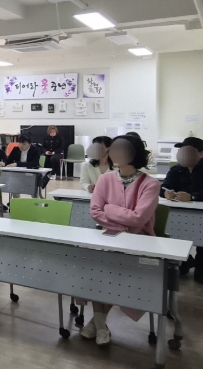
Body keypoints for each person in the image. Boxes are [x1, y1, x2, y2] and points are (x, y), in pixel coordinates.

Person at [79, 134, 160, 345]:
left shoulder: (150, 184)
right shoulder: (105, 179)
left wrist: (110, 209)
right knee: (96, 272)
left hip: (139, 240)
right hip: (109, 236)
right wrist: (124, 221)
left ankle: (97, 324)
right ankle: (100, 325)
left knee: (116, 275)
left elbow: (140, 219)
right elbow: (95, 211)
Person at [160, 136, 203, 281]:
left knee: (200, 277)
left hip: (200, 215)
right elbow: (163, 187)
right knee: (180, 269)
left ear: (200, 154)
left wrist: (193, 197)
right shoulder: (176, 169)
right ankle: (187, 261)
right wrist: (166, 193)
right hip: (179, 214)